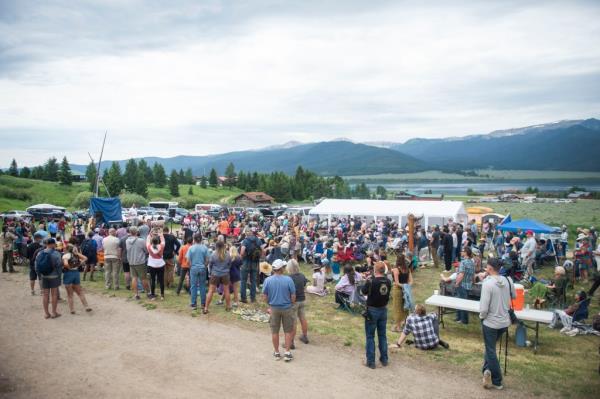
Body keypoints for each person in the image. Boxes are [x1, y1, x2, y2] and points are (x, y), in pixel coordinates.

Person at [479, 258, 515, 390]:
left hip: (490, 322)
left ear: (489, 269)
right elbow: (514, 296)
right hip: (504, 322)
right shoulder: (508, 280)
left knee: (490, 350)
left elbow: (483, 308)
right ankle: (486, 370)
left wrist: (482, 318)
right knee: (490, 348)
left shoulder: (487, 284)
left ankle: (497, 380)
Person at [262, 259, 296, 362]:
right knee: (288, 331)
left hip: (274, 308)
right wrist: (291, 304)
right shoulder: (288, 280)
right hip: (287, 308)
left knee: (274, 331)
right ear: (282, 269)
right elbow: (293, 295)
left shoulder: (267, 280)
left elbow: (264, 296)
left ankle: (277, 352)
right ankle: (287, 352)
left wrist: (269, 306)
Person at [361, 261, 391, 369]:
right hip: (383, 309)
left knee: (370, 336)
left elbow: (363, 292)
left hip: (373, 310)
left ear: (375, 270)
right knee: (382, 335)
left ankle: (370, 361)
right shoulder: (388, 281)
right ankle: (384, 359)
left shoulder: (371, 281)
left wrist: (366, 282)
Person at [36, 238, 63, 319]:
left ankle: (46, 314)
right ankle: (54, 313)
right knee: (54, 295)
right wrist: (59, 274)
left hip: (44, 276)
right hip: (54, 276)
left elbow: (36, 266)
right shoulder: (56, 253)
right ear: (52, 244)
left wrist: (40, 276)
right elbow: (59, 265)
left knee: (45, 295)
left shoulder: (40, 253)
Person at [61, 244, 92, 314]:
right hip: (76, 273)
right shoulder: (76, 255)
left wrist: (69, 268)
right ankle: (86, 306)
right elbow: (85, 258)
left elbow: (65, 264)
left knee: (70, 294)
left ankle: (72, 309)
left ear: (66, 249)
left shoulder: (65, 255)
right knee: (79, 291)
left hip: (68, 274)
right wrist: (79, 262)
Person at [204, 240, 232, 314]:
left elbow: (210, 265)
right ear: (224, 246)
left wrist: (211, 272)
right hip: (225, 274)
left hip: (215, 274)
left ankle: (206, 308)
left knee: (211, 291)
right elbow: (230, 264)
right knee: (226, 291)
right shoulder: (228, 254)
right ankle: (228, 306)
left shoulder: (213, 254)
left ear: (216, 246)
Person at [287, 259, 309, 347]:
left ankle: (291, 342)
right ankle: (305, 336)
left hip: (294, 301)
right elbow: (304, 285)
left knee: (293, 322)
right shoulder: (302, 276)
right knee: (303, 318)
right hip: (302, 300)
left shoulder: (289, 278)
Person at [240, 227, 264, 303]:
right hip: (255, 262)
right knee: (253, 280)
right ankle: (253, 298)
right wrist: (260, 257)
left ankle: (243, 298)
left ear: (248, 233)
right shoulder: (258, 240)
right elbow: (263, 250)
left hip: (246, 262)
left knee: (243, 280)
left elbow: (242, 252)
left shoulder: (245, 241)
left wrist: (241, 259)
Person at [126, 226, 150, 300]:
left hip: (131, 261)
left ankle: (136, 294)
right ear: (137, 232)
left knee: (134, 278)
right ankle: (148, 293)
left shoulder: (127, 240)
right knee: (143, 278)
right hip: (140, 261)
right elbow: (146, 250)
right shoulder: (141, 240)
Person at [186, 233, 209, 309]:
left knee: (193, 286)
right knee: (202, 286)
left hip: (194, 268)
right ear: (201, 239)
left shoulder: (191, 248)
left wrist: (191, 267)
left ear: (194, 239)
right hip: (202, 268)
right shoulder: (205, 248)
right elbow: (207, 260)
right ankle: (203, 304)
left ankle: (193, 304)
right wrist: (204, 266)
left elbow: (188, 260)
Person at [390, 255, 412, 332]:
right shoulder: (407, 269)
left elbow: (396, 282)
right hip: (406, 290)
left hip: (398, 290)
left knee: (397, 308)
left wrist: (403, 286)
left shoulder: (396, 270)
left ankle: (398, 327)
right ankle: (405, 323)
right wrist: (406, 286)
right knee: (405, 306)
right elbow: (411, 281)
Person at [455, 246, 475, 324]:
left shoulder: (463, 262)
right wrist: (473, 282)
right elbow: (473, 274)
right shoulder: (471, 262)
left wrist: (457, 283)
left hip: (462, 284)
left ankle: (463, 320)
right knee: (464, 302)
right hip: (468, 285)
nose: (461, 252)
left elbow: (461, 274)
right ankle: (460, 318)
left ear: (466, 253)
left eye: (462, 251)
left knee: (460, 302)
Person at [146, 232, 166, 300]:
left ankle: (153, 295)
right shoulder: (161, 246)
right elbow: (163, 240)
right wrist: (160, 234)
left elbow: (147, 240)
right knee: (161, 280)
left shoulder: (149, 247)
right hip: (160, 264)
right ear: (158, 241)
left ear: (152, 241)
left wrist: (150, 234)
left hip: (152, 265)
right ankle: (162, 295)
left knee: (153, 280)